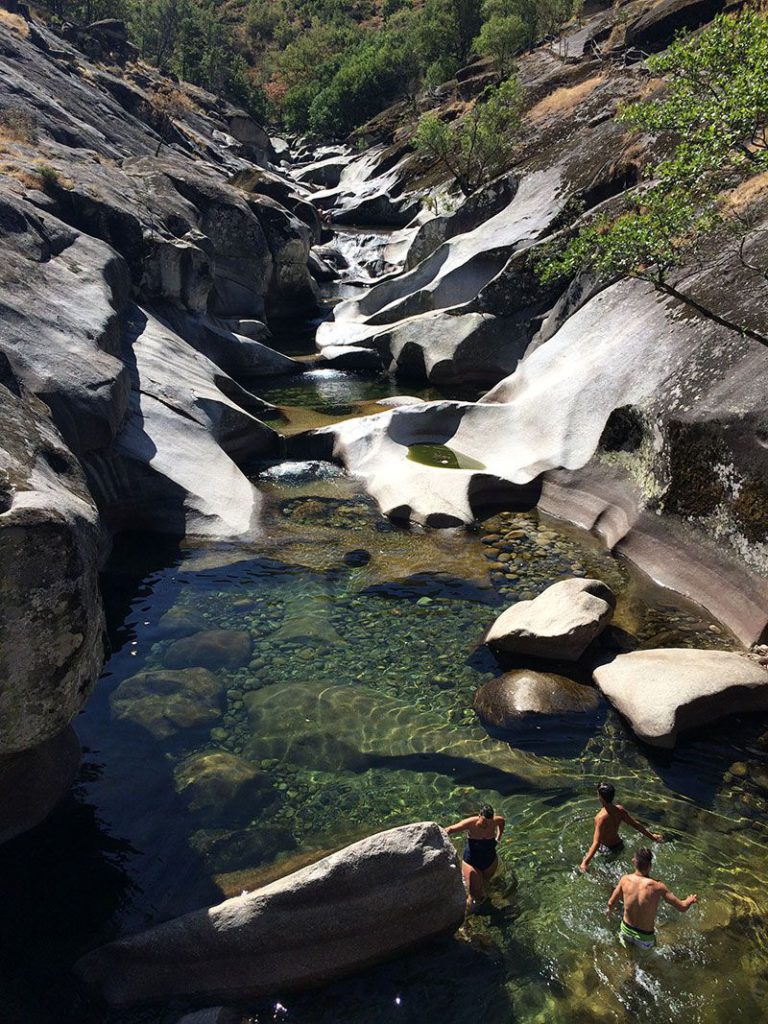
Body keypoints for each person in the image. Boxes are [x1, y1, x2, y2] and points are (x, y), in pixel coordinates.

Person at [607, 847, 698, 950]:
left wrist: (609, 913)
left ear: (633, 862)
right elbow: (682, 907)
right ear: (650, 866)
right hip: (644, 938)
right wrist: (690, 900)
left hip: (625, 931)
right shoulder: (658, 887)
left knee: (629, 958)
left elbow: (610, 903)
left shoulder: (625, 880)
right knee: (645, 963)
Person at [579, 781, 663, 873]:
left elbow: (596, 843)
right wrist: (652, 837)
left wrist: (585, 862)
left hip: (607, 850)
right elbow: (636, 825)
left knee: (605, 873)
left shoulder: (600, 818)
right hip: (619, 845)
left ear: (600, 797)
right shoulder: (620, 810)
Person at [444, 805, 505, 908]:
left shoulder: (495, 821)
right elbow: (450, 829)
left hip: (490, 861)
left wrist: (498, 837)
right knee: (474, 897)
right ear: (479, 815)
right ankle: (467, 918)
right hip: (472, 861)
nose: (486, 824)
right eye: (484, 821)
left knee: (486, 885)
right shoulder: (471, 823)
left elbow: (502, 822)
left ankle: (487, 908)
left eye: (489, 822)